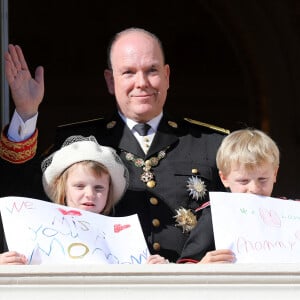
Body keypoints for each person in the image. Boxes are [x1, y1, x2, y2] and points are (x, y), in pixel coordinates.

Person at [0, 27, 229, 262]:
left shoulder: (213, 145)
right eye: (128, 72)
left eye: (152, 70)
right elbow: (20, 199)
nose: (142, 82)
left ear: (167, 76)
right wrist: (26, 114)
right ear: (110, 81)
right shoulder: (78, 143)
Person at [0, 135, 168, 264]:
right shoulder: (34, 230)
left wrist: (159, 270)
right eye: (79, 186)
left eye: (99, 188)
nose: (90, 194)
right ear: (63, 190)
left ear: (109, 192)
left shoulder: (126, 239)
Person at [177, 128, 280, 263]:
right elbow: (186, 266)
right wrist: (201, 266)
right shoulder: (215, 214)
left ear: (275, 174)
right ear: (224, 178)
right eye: (243, 181)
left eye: (262, 179)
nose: (254, 188)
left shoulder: (290, 214)